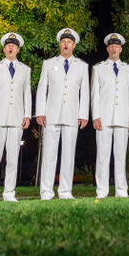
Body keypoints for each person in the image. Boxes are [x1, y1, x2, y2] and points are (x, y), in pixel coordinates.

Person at [36, 27, 89, 200]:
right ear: (60, 45)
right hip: (51, 114)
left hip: (72, 115)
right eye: (63, 42)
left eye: (69, 42)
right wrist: (40, 112)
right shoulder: (48, 64)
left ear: (74, 45)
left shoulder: (82, 66)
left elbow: (85, 92)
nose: (66, 44)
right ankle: (46, 191)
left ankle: (65, 191)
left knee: (68, 154)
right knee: (49, 154)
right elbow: (42, 89)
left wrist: (83, 114)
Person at [0, 32, 31, 203]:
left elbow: (26, 93)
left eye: (14, 46)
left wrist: (27, 115)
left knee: (12, 158)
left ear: (18, 50)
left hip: (16, 118)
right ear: (4, 49)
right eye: (8, 45)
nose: (11, 47)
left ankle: (9, 192)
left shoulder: (25, 70)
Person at [91, 32, 129, 198]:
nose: (114, 49)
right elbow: (95, 94)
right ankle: (102, 191)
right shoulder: (98, 69)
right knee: (102, 156)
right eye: (111, 46)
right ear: (107, 49)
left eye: (116, 46)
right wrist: (95, 116)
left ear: (121, 49)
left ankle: (121, 191)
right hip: (103, 118)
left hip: (123, 118)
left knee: (120, 156)